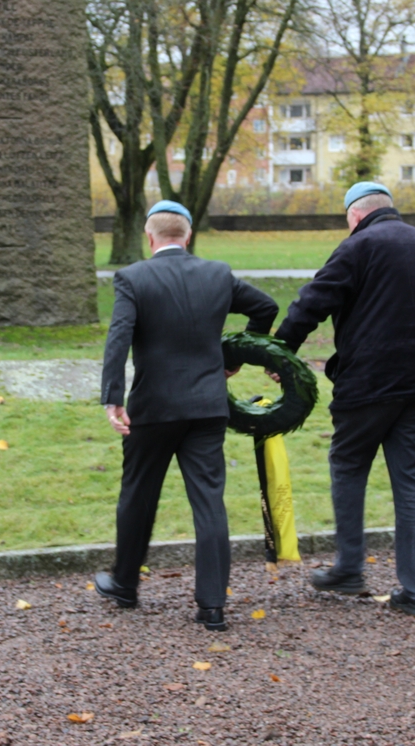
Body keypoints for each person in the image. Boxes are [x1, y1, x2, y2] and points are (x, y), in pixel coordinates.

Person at [96, 200, 279, 632]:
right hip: (207, 406)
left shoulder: (133, 277)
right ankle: (212, 606)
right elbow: (266, 307)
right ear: (189, 235)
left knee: (138, 493)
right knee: (209, 502)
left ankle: (125, 584)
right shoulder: (217, 273)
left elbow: (118, 337)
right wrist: (232, 357)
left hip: (153, 408)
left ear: (150, 237)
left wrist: (113, 397)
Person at [274, 182, 415, 618]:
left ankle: (349, 568)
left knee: (349, 464)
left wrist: (279, 351)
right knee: (413, 484)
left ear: (355, 214)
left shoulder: (358, 245)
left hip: (370, 382)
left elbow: (311, 302)